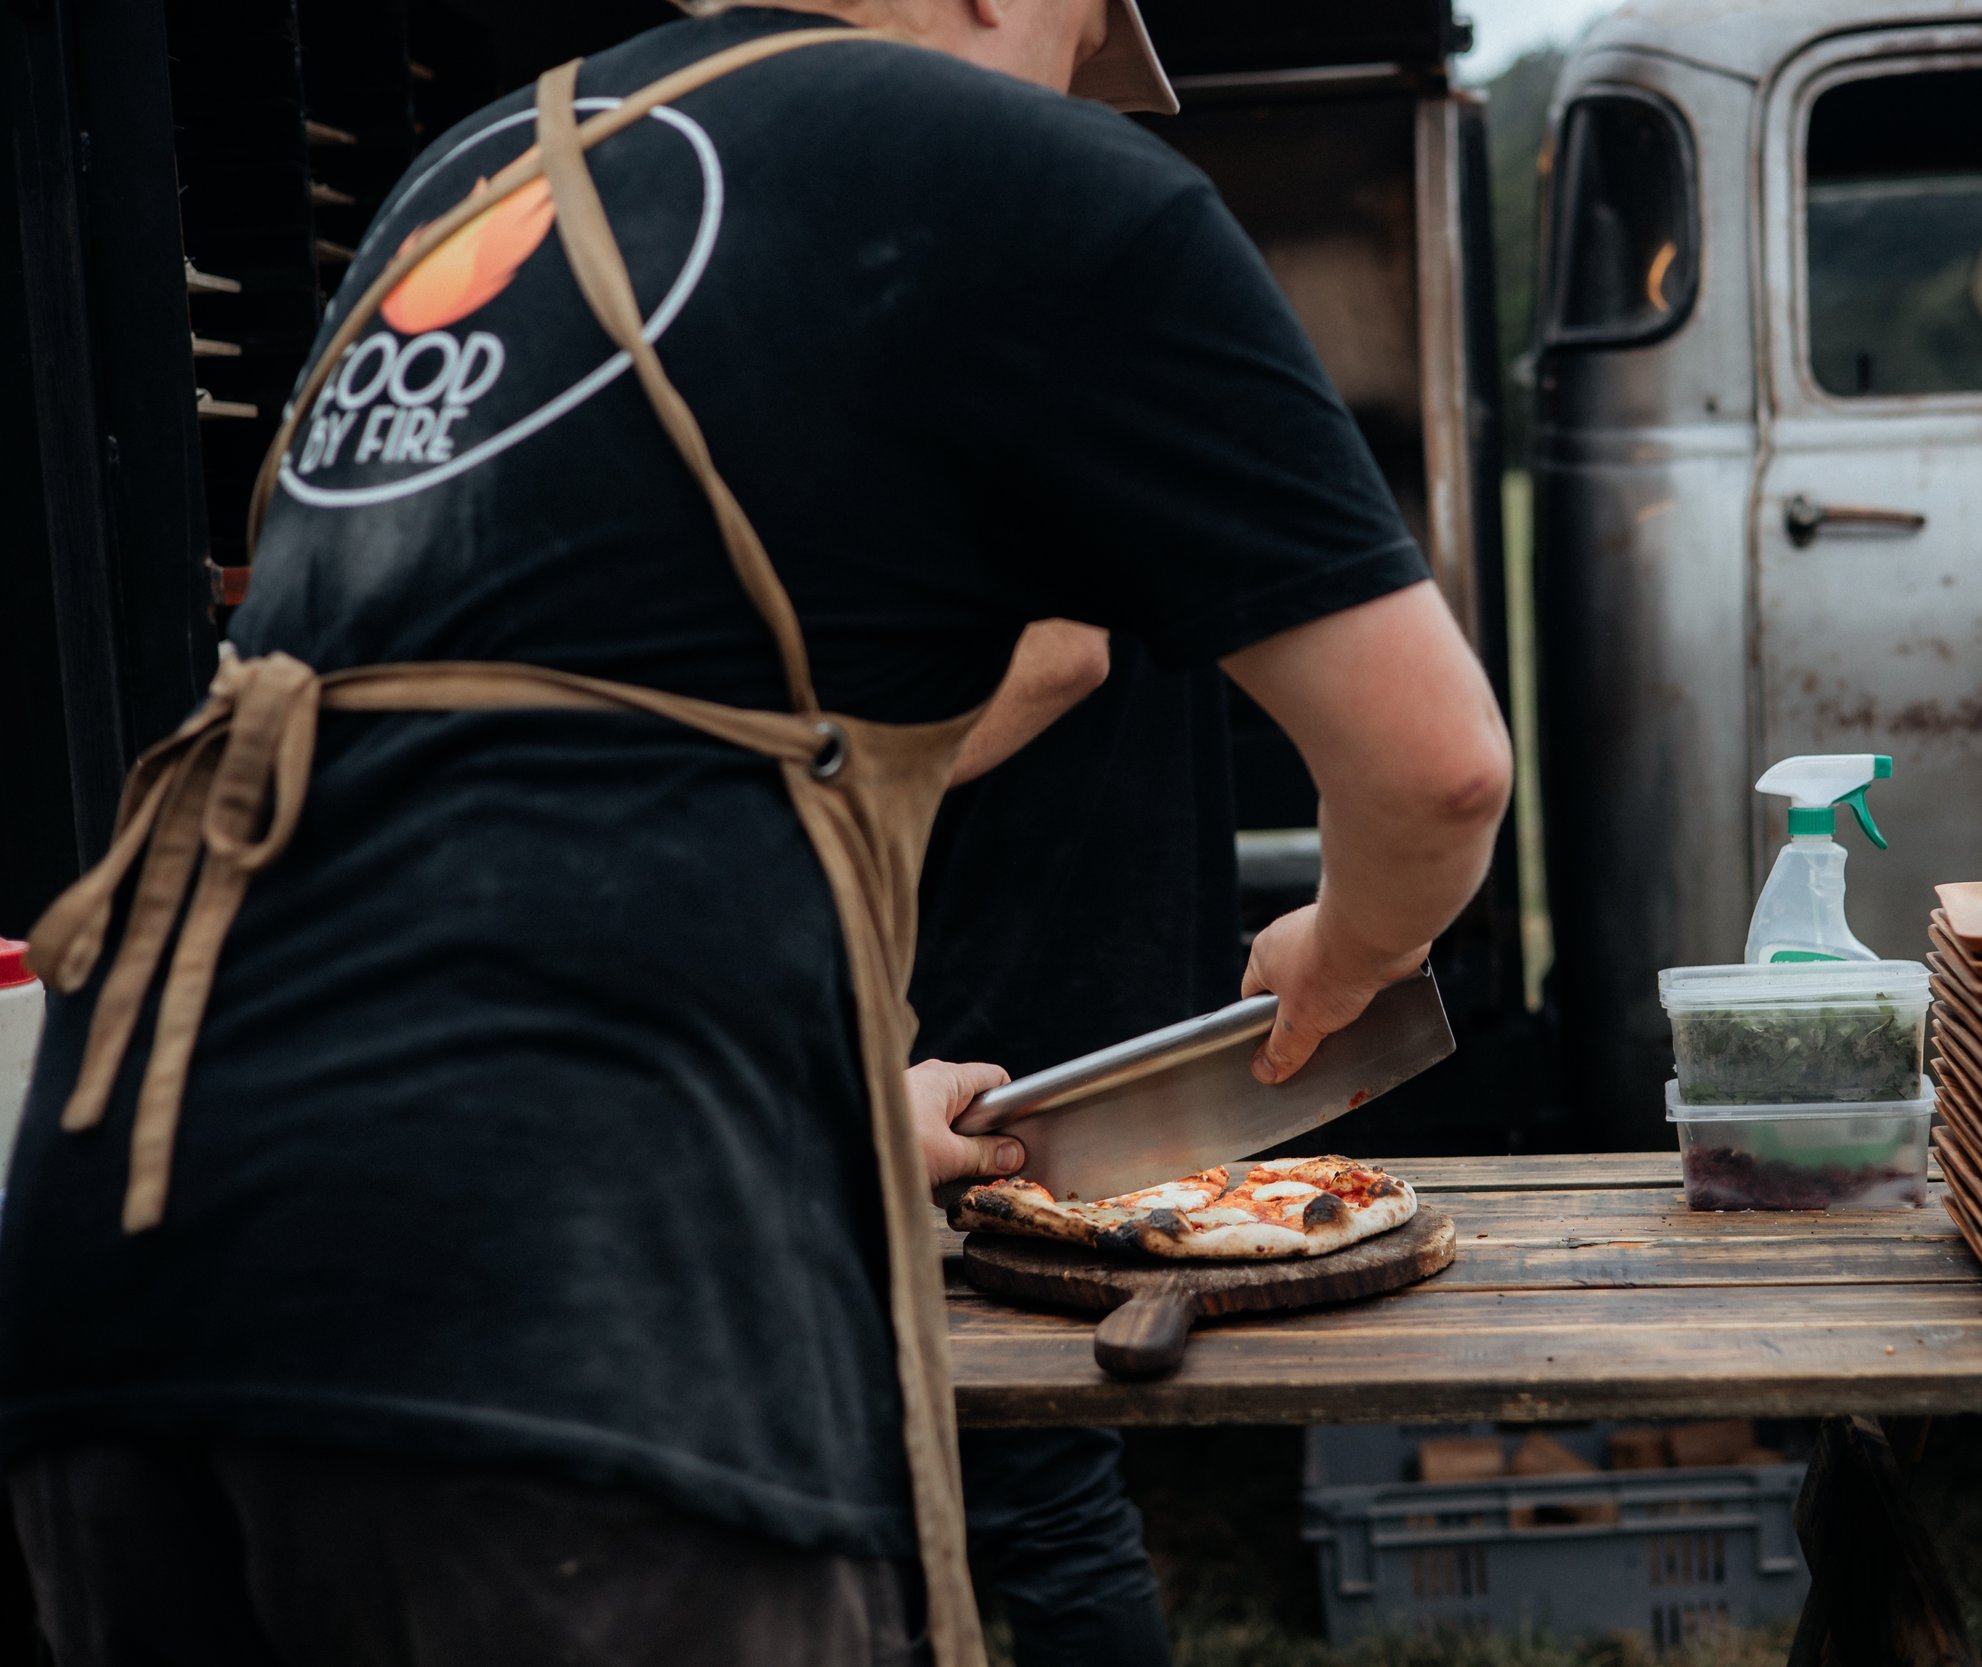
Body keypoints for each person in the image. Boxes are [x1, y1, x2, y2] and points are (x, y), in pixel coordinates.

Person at [0, 3, 1512, 1665]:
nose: (1084, 90)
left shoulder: (483, 168)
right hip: (556, 1284)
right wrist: (1348, 949)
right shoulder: (1038, 178)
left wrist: (847, 1101)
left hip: (117, 1240)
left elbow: (495, 792)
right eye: (1089, 40)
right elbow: (1435, 770)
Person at [914, 622, 1238, 1667]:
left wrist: (822, 795)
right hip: (1047, 959)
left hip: (1013, 998)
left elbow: (1061, 650)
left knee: (1032, 1483)